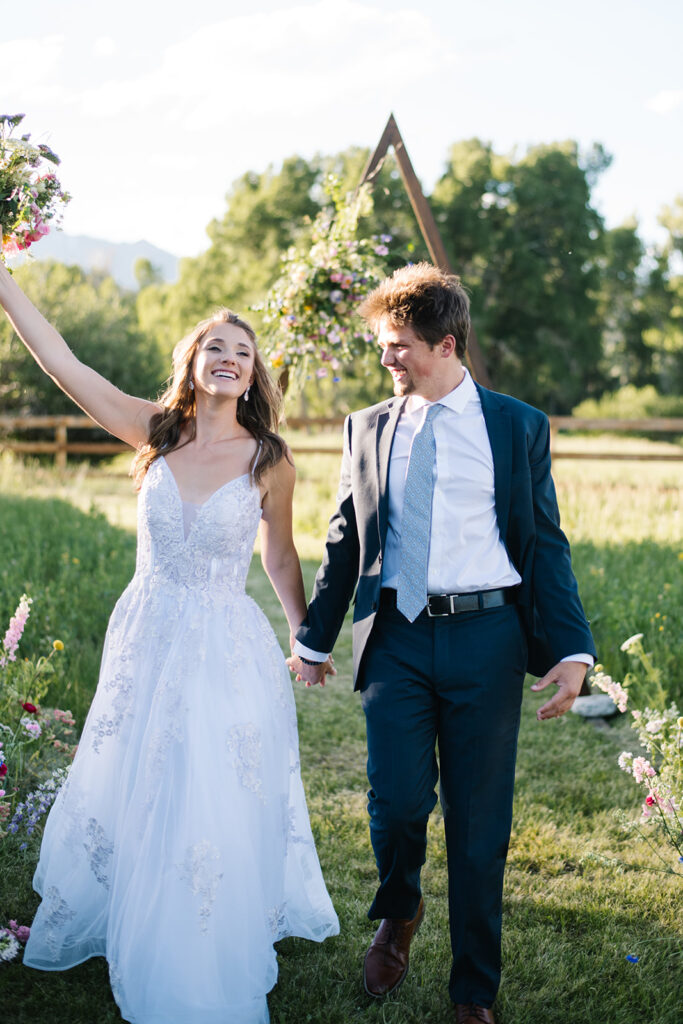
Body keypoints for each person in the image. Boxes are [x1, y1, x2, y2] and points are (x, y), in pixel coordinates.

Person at [0, 259, 339, 1024]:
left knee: (205, 778)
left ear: (253, 376)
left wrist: (306, 639)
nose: (227, 358)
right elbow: (62, 361)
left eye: (242, 352)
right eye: (214, 346)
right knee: (139, 769)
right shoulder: (153, 432)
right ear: (191, 361)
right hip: (146, 632)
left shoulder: (269, 460)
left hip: (224, 643)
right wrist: (3, 281)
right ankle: (131, 900)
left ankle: (197, 930)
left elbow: (280, 556)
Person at [288, 262, 596, 1024]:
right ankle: (400, 910)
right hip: (395, 635)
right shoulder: (367, 427)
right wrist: (314, 641)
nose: (386, 359)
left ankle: (472, 990)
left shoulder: (517, 426)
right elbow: (344, 541)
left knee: (478, 819)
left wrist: (571, 650)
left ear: (446, 344)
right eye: (383, 346)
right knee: (394, 804)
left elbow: (544, 546)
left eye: (398, 346)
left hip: (488, 637)